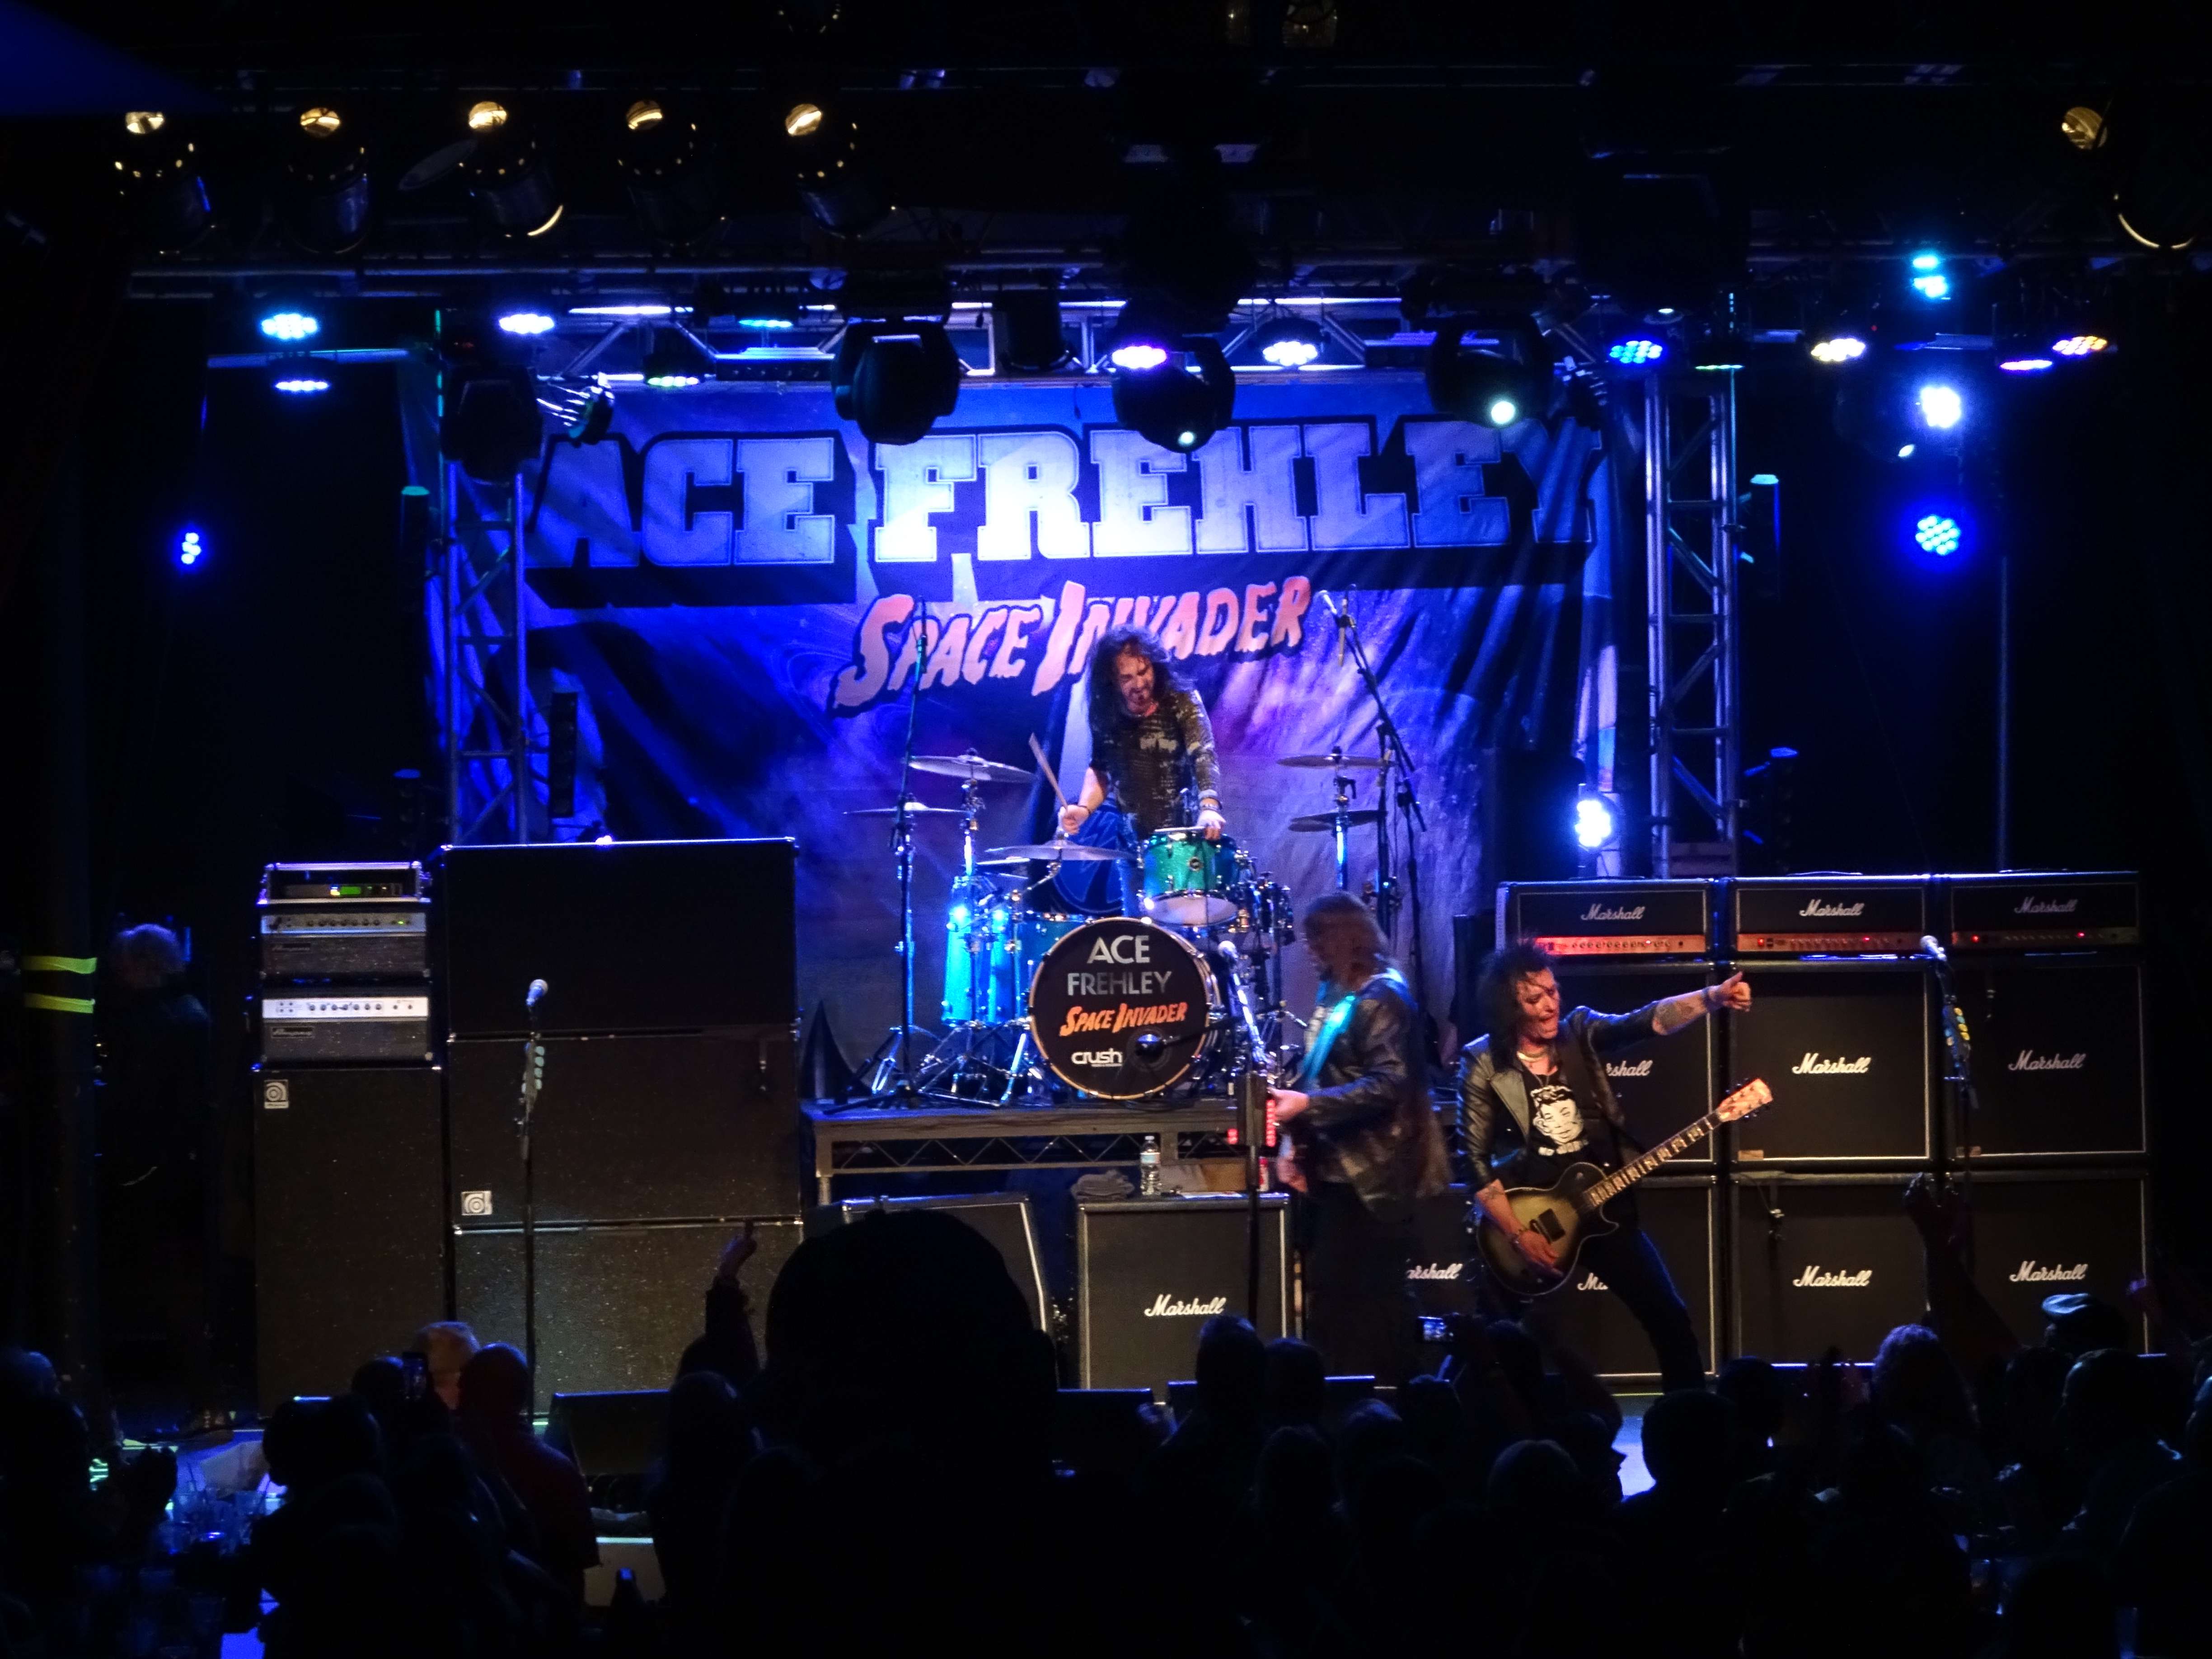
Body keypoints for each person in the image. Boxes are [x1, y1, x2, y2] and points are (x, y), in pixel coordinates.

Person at [1459, 942, 1751, 1392]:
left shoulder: (1579, 1032)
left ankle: (1689, 1419)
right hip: (1530, 1222)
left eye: (1553, 991)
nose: (1550, 1004)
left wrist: (1711, 997)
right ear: (1509, 1008)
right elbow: (1475, 1162)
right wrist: (1518, 1234)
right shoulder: (1483, 1062)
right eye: (1535, 998)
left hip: (1603, 1207)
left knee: (1669, 1318)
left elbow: (1646, 1021)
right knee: (1495, 1340)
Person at [1267, 893, 1450, 1382]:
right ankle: (1344, 1395)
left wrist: (1308, 1108)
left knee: (1374, 1299)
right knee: (1335, 1298)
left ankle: (1392, 1398)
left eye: (1316, 939)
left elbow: (1390, 1082)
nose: (1309, 950)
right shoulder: (1340, 993)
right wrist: (1294, 1142)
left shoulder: (1381, 998)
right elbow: (1319, 1077)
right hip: (1338, 1169)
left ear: (1343, 938)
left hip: (1375, 1173)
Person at [1055, 626, 1226, 910]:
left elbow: (1203, 753)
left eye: (1144, 672)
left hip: (1183, 842)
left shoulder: (1179, 698)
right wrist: (1084, 809)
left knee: (1181, 927)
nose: (1139, 684)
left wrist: (1209, 806)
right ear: (1112, 679)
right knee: (1138, 931)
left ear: (1154, 666)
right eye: (1127, 678)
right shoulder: (1106, 710)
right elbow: (1100, 769)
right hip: (1132, 845)